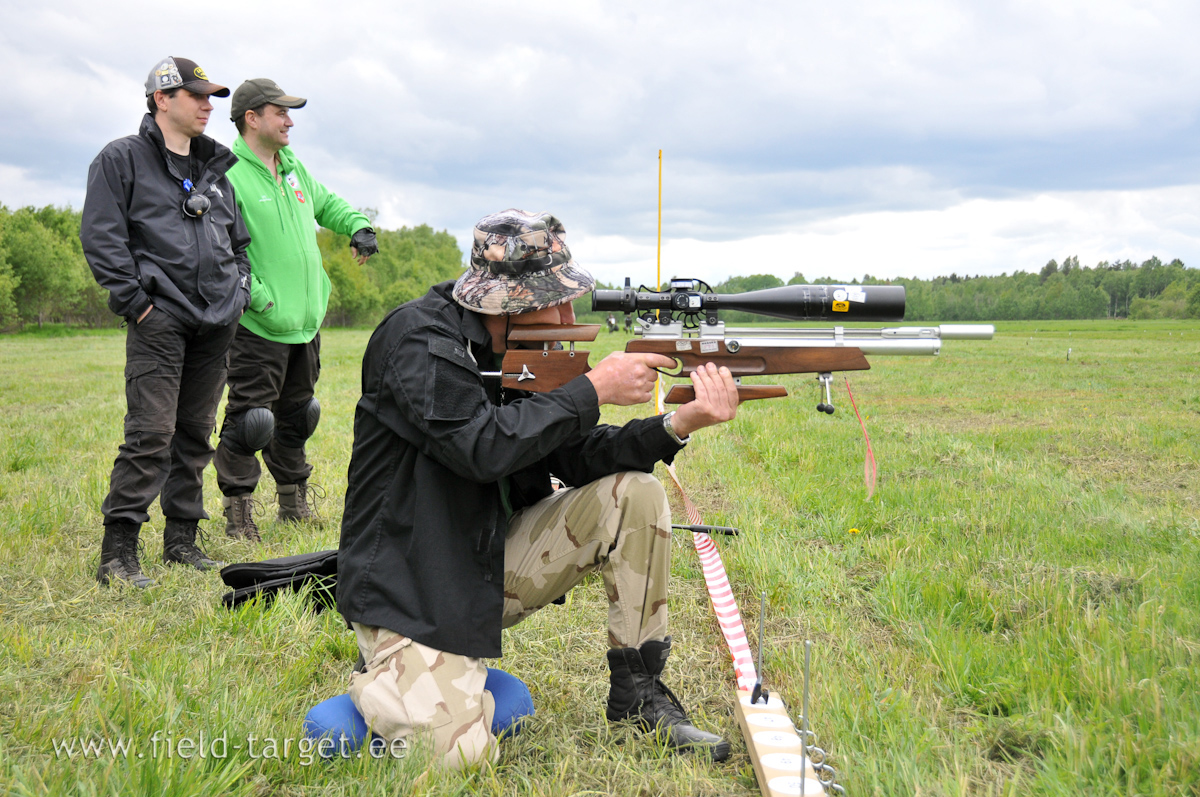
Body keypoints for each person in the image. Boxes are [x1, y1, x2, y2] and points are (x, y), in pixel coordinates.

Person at [336, 209, 740, 767]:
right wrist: (592, 388)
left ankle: (638, 698)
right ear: (513, 300)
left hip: (482, 565)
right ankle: (382, 676)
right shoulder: (417, 340)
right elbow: (480, 448)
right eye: (559, 299)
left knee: (635, 493)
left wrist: (680, 423)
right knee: (455, 760)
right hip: (415, 585)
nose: (569, 313)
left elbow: (577, 454)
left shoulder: (519, 356)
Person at [81, 57, 249, 587]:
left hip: (217, 320)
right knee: (151, 433)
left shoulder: (215, 170)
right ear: (162, 98)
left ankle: (181, 539)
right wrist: (137, 302)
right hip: (160, 317)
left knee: (196, 433)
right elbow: (102, 237)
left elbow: (239, 243)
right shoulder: (122, 159)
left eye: (211, 98)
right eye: (197, 96)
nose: (207, 106)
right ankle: (118, 551)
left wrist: (238, 289)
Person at [214, 79, 378, 541]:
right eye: (280, 112)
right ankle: (238, 512)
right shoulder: (228, 175)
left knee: (299, 415)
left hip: (304, 326)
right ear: (252, 118)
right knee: (251, 422)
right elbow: (223, 252)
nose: (289, 120)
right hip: (257, 326)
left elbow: (328, 204)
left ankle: (292, 502)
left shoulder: (292, 169)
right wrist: (261, 298)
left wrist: (358, 226)